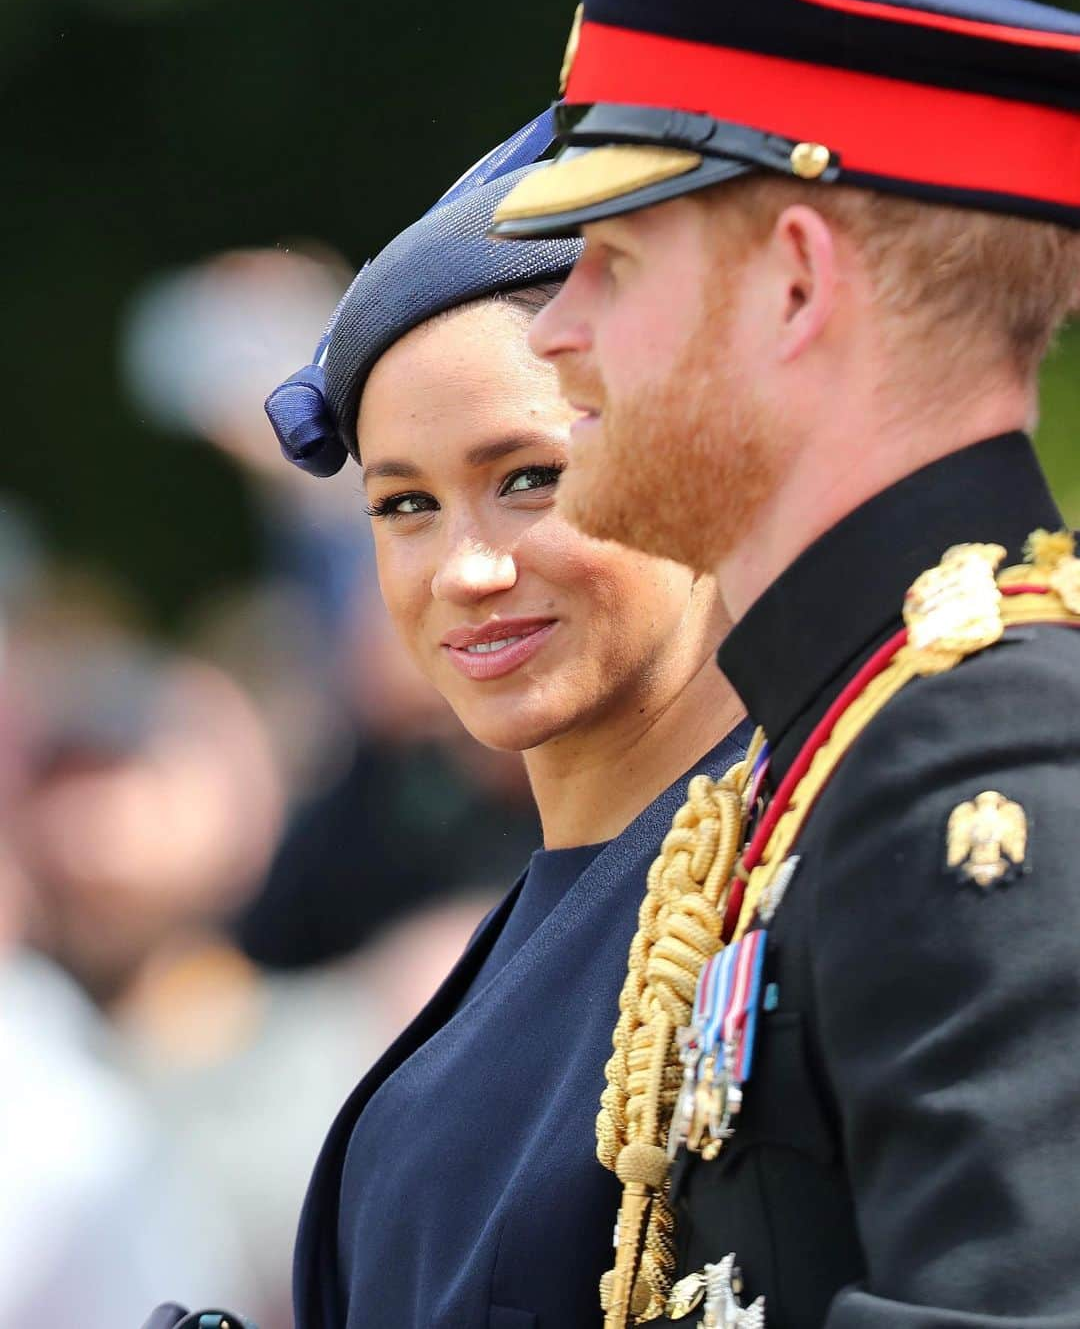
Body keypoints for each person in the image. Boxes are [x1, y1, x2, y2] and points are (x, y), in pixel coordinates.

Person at [490, 0, 1080, 1327]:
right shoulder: (849, 740)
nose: (551, 328)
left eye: (615, 263)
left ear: (800, 282)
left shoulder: (991, 754)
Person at [154, 111, 750, 1329]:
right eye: (406, 505)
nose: (465, 570)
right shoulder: (538, 925)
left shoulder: (816, 877)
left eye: (527, 478)